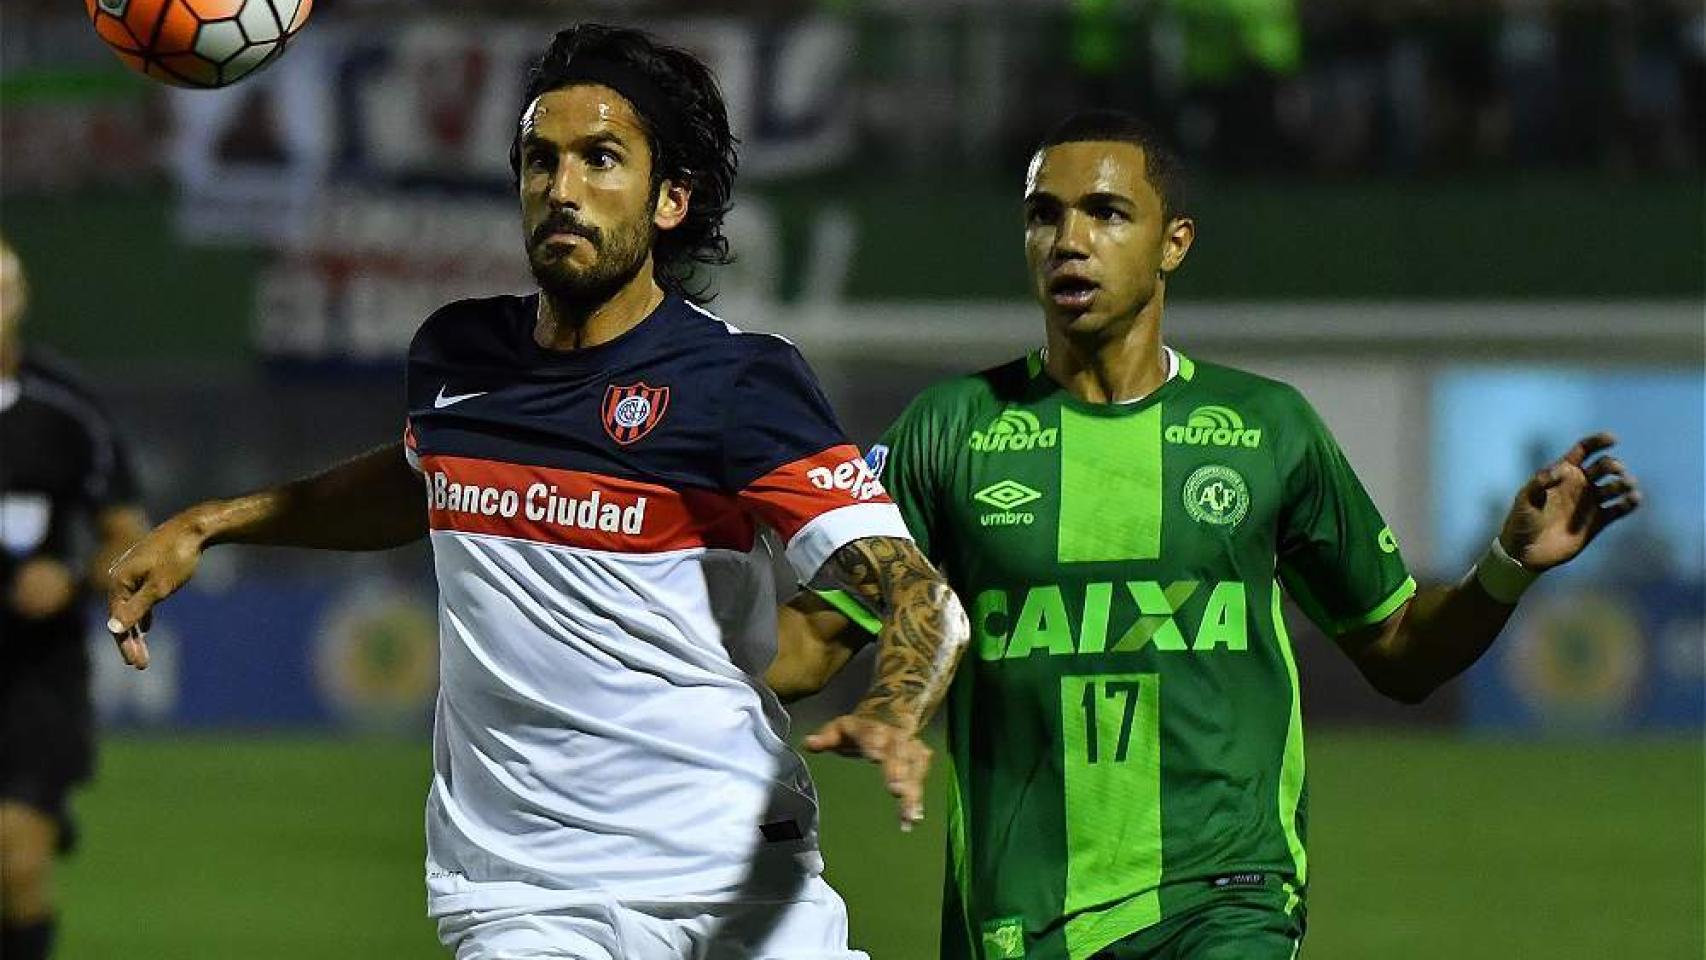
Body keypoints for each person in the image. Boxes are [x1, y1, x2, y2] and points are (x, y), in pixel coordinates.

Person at [104, 24, 969, 960]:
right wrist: (211, 522)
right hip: (525, 900)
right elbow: (422, 484)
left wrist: (894, 708)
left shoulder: (737, 383)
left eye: (601, 159)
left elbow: (917, 592)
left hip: (738, 883)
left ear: (671, 198)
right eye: (538, 161)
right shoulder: (457, 354)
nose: (562, 189)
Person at [769, 109, 1641, 960]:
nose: (1069, 240)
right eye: (1045, 215)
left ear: (1173, 243)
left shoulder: (1266, 428)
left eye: (1107, 214)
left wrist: (1507, 567)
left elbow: (1400, 652)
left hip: (1228, 894)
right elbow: (810, 645)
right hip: (1021, 908)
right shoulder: (948, 429)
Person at [0, 237, 149, 960]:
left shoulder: (66, 412)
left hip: (33, 677)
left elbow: (129, 540)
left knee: (14, 864)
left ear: (20, 301)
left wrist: (71, 576)